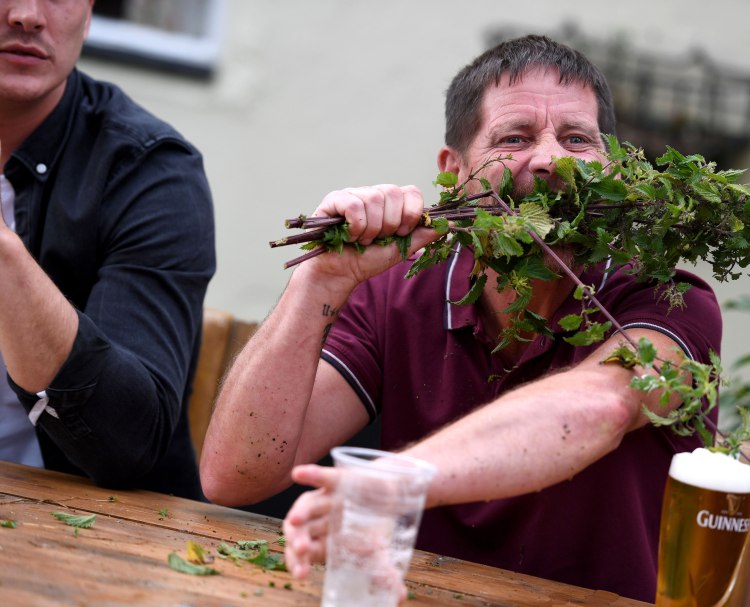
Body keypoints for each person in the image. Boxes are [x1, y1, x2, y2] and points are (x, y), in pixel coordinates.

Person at [200, 35, 721, 601]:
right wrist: (318, 280)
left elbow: (604, 405)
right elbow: (235, 476)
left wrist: (390, 482)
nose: (550, 160)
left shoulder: (668, 300)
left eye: (577, 139)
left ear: (612, 168)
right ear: (455, 170)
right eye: (514, 138)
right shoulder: (398, 293)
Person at [0, 0, 215, 499]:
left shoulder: (149, 171)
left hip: (82, 531)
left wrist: (7, 256)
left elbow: (127, 444)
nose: (28, 15)